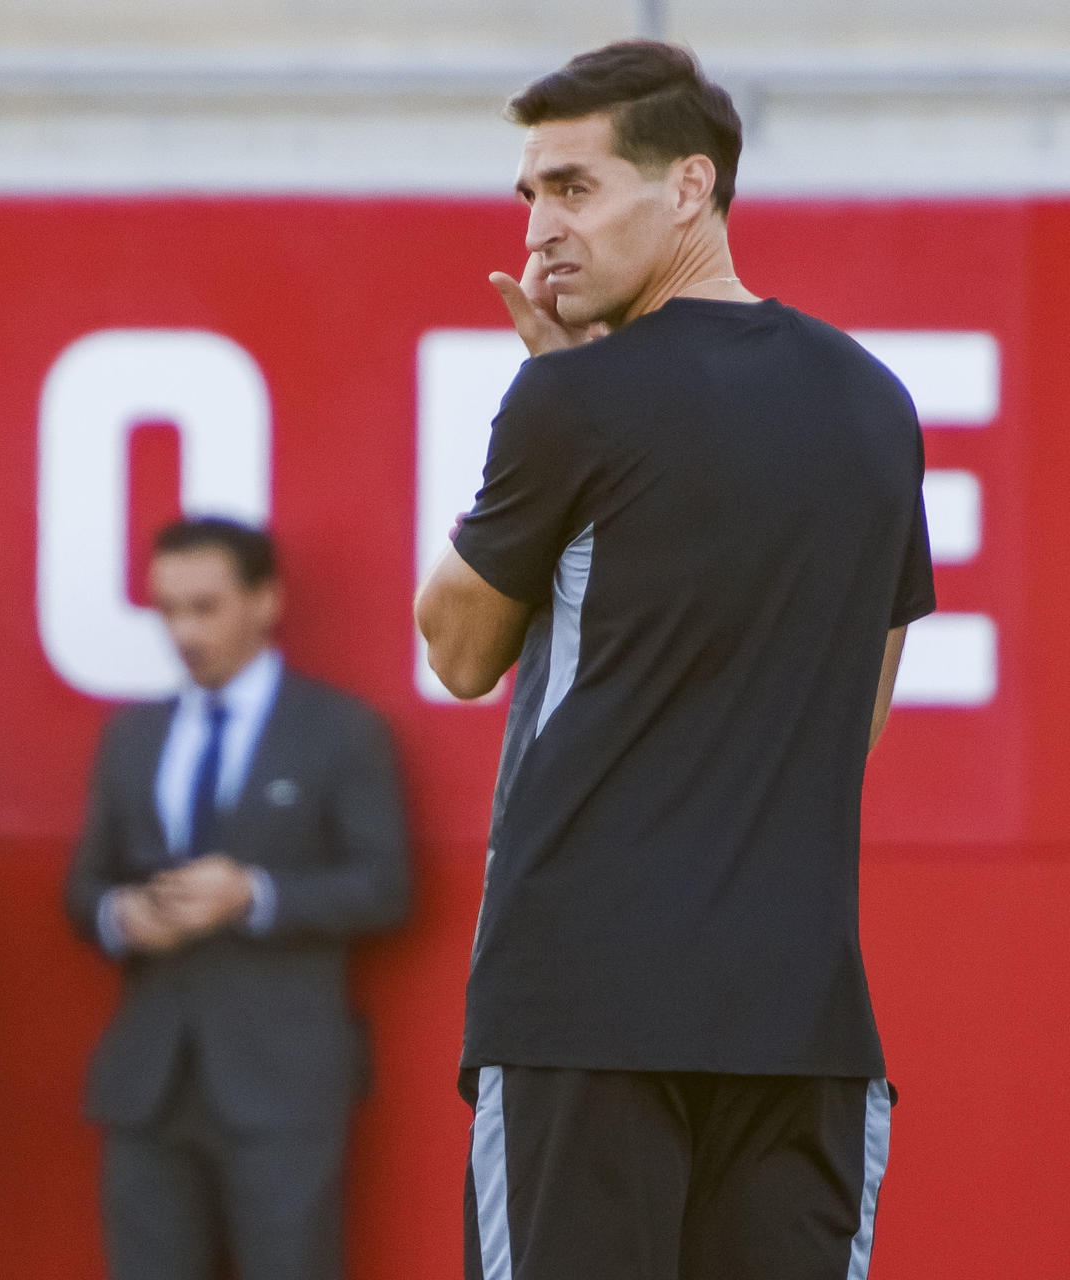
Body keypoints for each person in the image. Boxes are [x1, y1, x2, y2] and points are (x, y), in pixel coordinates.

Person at [413, 40, 935, 1280]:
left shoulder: (571, 401)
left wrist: (551, 410)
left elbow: (456, 647)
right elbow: (852, 718)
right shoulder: (876, 401)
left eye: (576, 188)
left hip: (582, 1008)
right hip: (801, 1018)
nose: (542, 227)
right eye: (529, 194)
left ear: (690, 187)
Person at [64, 516, 411, 1280]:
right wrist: (122, 918)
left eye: (205, 606)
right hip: (148, 1084)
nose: (183, 630)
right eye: (168, 608)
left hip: (284, 1084)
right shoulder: (134, 736)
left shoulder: (340, 731)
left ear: (265, 599)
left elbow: (386, 887)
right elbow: (84, 890)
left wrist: (251, 896)